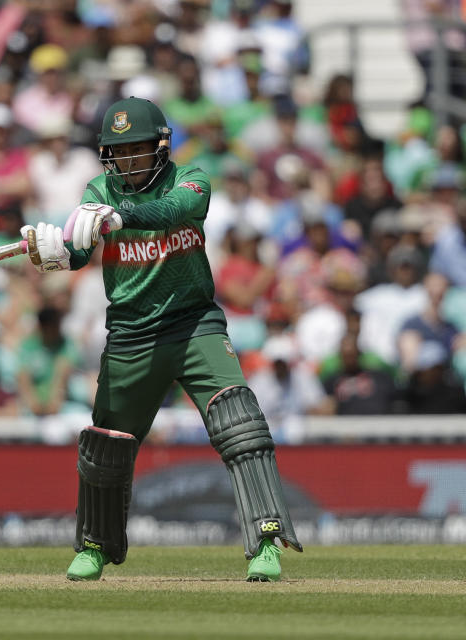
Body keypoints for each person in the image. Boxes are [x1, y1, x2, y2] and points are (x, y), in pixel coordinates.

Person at [19, 97, 303, 582]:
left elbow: (173, 209)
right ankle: (93, 546)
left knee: (240, 420)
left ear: (161, 145)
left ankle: (266, 541)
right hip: (130, 333)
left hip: (193, 323)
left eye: (138, 150)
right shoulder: (97, 188)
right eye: (118, 152)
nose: (128, 162)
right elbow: (79, 252)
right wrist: (53, 251)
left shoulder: (192, 180)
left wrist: (120, 216)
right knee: (106, 443)